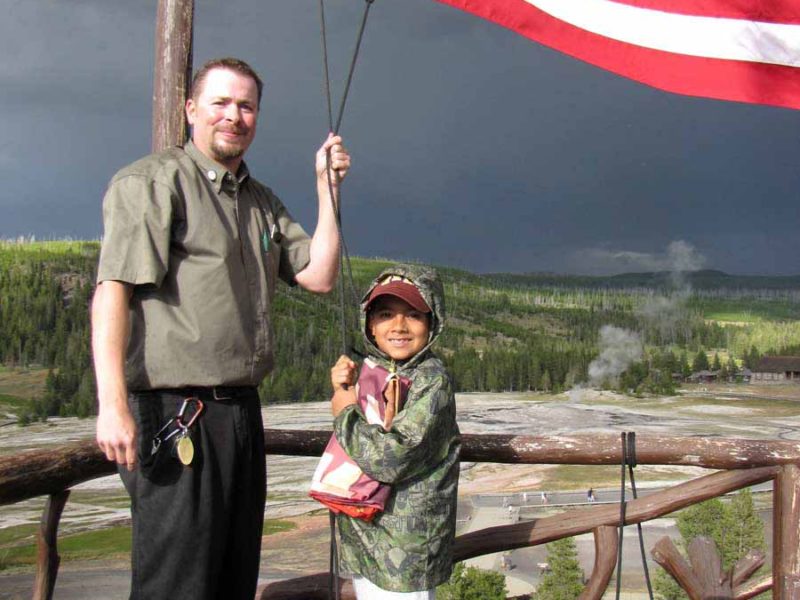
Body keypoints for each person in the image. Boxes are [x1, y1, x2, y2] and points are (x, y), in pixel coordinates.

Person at [92, 57, 351, 600]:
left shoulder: (259, 201)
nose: (234, 115)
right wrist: (112, 405)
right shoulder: (154, 182)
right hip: (174, 414)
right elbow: (111, 292)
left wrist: (327, 189)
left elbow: (319, 275)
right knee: (178, 585)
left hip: (240, 414)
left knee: (233, 577)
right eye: (221, 103)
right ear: (191, 110)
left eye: (246, 106)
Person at [329, 265, 460, 599]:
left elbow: (391, 458)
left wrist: (344, 411)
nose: (399, 326)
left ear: (433, 323)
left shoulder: (432, 382)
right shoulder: (376, 373)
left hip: (405, 554)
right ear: (370, 324)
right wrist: (346, 388)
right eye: (386, 314)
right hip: (368, 541)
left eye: (414, 315)